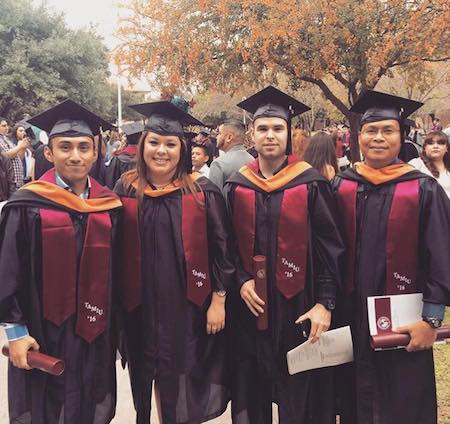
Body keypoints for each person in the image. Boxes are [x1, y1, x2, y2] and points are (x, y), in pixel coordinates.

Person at [224, 86, 344, 423]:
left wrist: (325, 303)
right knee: (254, 393)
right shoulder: (237, 186)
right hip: (252, 311)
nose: (270, 135)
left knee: (302, 401)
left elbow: (330, 248)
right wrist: (242, 280)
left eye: (278, 128)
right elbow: (227, 247)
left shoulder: (310, 183)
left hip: (300, 307)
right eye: (263, 128)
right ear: (252, 133)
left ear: (290, 133)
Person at [0, 99, 122, 424]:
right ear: (50, 153)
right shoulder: (27, 203)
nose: (76, 156)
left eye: (84, 147)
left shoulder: (108, 205)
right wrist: (14, 333)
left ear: (96, 152)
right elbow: (8, 271)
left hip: (94, 330)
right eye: (65, 147)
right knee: (45, 408)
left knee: (86, 403)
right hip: (43, 330)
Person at [333, 90, 450, 424]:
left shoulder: (422, 189)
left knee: (404, 402)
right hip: (351, 317)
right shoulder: (342, 186)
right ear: (359, 137)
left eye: (388, 130)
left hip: (404, 322)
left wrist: (431, 320)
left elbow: (443, 255)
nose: (378, 138)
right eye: (371, 131)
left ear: (402, 137)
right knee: (354, 401)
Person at [114, 100, 235, 424]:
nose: (161, 151)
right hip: (139, 307)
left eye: (170, 144)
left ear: (182, 149)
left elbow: (222, 248)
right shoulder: (125, 188)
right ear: (142, 146)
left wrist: (219, 301)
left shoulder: (201, 191)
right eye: (154, 142)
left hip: (187, 308)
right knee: (144, 373)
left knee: (180, 378)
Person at [209, 119, 254, 190]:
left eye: (219, 133)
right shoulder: (252, 160)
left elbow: (213, 198)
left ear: (229, 137)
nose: (216, 137)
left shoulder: (219, 164)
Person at [409, 131, 450, 198]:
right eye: (431, 143)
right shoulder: (416, 164)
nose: (435, 146)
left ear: (447, 148)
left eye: (440, 143)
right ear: (424, 148)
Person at [104, 121, 142, 189]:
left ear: (127, 138)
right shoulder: (146, 157)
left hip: (120, 196)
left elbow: (110, 181)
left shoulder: (118, 157)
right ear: (141, 138)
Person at [0, 117, 28, 189]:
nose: (7, 128)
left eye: (7, 125)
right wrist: (19, 146)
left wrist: (23, 148)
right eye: (4, 126)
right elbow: (5, 157)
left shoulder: (6, 139)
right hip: (9, 182)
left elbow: (18, 157)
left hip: (18, 180)